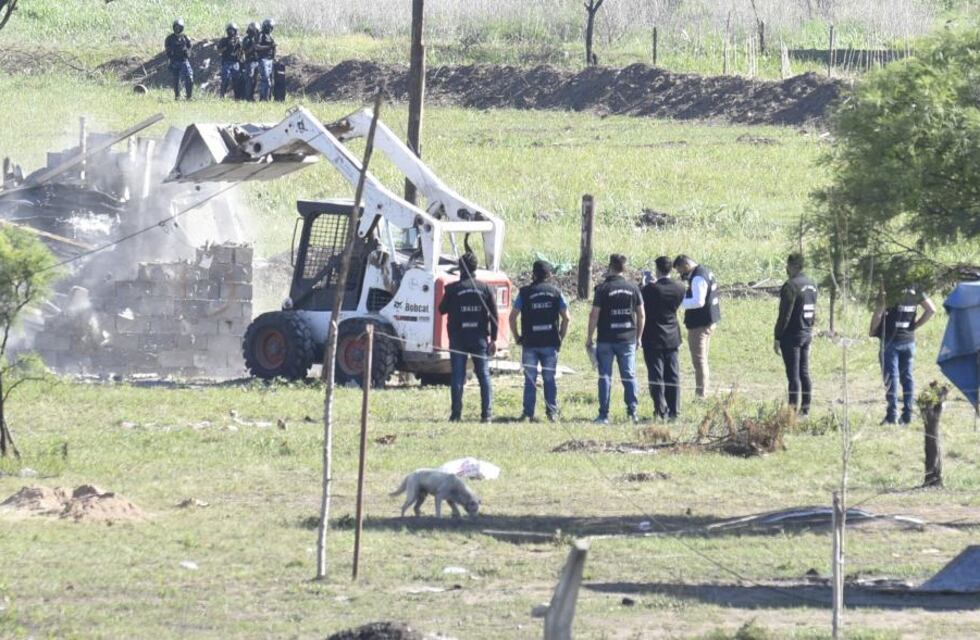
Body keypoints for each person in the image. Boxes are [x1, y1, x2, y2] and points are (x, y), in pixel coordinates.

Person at [438, 251, 498, 423]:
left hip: (458, 338)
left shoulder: (452, 289)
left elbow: (441, 309)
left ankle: (456, 415)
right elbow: (493, 315)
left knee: (457, 376)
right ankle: (487, 415)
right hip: (479, 338)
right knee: (484, 376)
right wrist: (493, 339)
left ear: (461, 269)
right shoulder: (486, 289)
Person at [509, 260, 571, 422]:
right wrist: (561, 337)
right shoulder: (556, 292)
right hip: (550, 343)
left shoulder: (524, 293)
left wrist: (517, 337)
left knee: (530, 379)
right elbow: (567, 318)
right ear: (549, 275)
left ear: (533, 274)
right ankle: (552, 413)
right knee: (549, 378)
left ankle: (527, 413)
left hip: (529, 343)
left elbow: (512, 317)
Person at [586, 254, 645, 424]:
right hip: (627, 339)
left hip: (606, 339)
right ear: (624, 268)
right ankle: (632, 412)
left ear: (610, 267)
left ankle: (603, 415)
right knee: (629, 375)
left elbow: (594, 315)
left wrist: (589, 338)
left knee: (604, 376)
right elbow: (641, 314)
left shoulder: (602, 289)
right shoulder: (633, 288)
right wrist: (639, 337)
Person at [870, 283, 936, 425]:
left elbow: (879, 312)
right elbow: (931, 309)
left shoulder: (887, 287)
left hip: (890, 341)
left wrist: (872, 330)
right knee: (907, 378)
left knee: (891, 378)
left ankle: (891, 415)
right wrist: (915, 326)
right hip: (909, 341)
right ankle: (907, 415)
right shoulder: (917, 287)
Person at [641, 256, 686, 420]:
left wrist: (646, 284)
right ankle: (674, 409)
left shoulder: (649, 289)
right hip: (672, 335)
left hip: (653, 336)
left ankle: (660, 409)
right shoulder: (680, 287)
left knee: (656, 375)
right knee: (673, 374)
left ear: (657, 270)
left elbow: (643, 304)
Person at [773, 253, 818, 416]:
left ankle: (792, 411)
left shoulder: (791, 286)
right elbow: (813, 312)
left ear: (792, 266)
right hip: (806, 332)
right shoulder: (812, 285)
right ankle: (805, 409)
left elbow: (785, 314)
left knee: (793, 375)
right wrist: (810, 330)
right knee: (804, 372)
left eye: (788, 265)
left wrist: (777, 337)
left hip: (791, 335)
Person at [673, 255, 720, 398]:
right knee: (703, 360)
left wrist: (679, 303)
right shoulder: (705, 271)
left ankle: (701, 395)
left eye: (680, 270)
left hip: (699, 324)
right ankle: (703, 391)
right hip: (709, 321)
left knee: (699, 362)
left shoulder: (698, 278)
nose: (681, 275)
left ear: (686, 265)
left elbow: (698, 301)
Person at [164, 18, 193, 101]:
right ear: (173, 27)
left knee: (190, 78)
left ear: (182, 28)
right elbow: (167, 49)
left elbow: (190, 47)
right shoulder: (169, 38)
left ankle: (189, 97)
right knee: (176, 80)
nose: (177, 29)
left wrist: (187, 53)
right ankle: (177, 97)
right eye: (176, 27)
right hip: (174, 61)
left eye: (179, 27)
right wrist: (171, 56)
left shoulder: (185, 37)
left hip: (184, 61)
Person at [217, 23, 242, 99]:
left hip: (235, 62)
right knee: (225, 79)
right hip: (226, 62)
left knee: (236, 81)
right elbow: (219, 51)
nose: (231, 32)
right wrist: (227, 46)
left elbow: (242, 51)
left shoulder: (238, 40)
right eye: (230, 30)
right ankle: (222, 96)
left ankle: (237, 98)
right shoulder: (224, 40)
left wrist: (239, 44)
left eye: (233, 30)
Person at [255, 18, 277, 101]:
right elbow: (256, 47)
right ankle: (263, 98)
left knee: (270, 81)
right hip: (263, 60)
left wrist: (274, 56)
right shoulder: (260, 35)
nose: (271, 29)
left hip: (270, 60)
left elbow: (273, 47)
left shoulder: (270, 36)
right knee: (266, 80)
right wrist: (268, 47)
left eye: (272, 27)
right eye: (270, 27)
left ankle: (267, 98)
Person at [242, 22, 260, 100]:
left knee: (255, 80)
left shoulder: (258, 38)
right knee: (249, 79)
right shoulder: (247, 39)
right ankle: (248, 97)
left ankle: (252, 96)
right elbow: (245, 52)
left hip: (258, 61)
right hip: (250, 62)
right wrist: (253, 47)